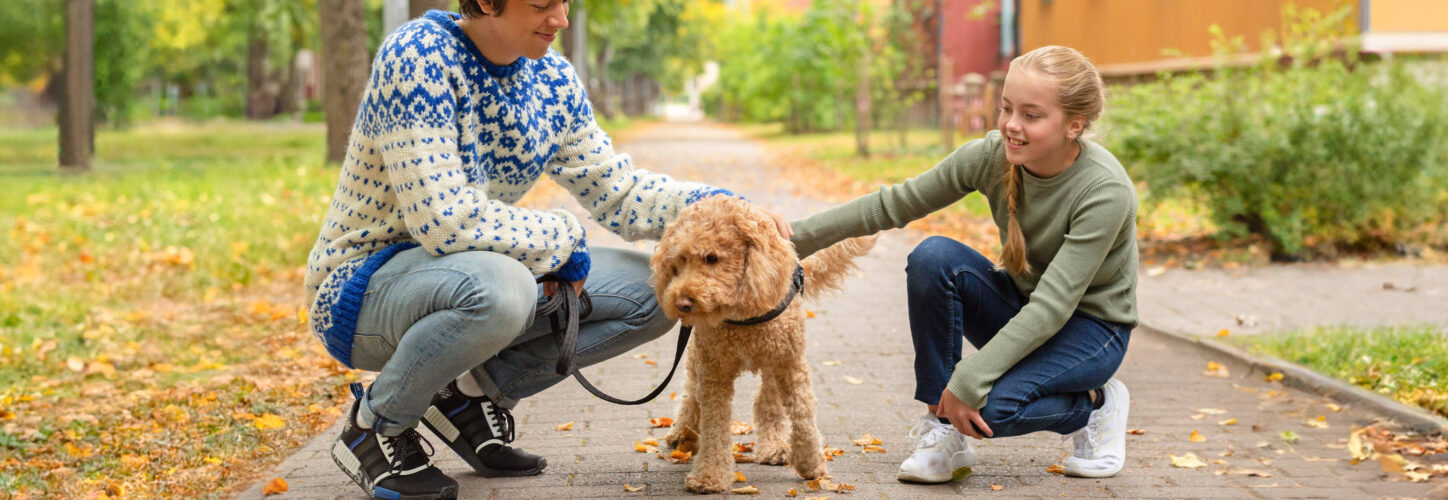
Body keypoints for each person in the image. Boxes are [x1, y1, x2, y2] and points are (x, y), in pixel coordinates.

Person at [303, 1, 790, 498]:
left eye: (565, 3)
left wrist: (723, 204)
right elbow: (443, 217)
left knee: (652, 295)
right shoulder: (418, 56)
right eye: (541, 5)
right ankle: (375, 424)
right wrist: (562, 240)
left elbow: (617, 190)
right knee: (503, 288)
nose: (560, 20)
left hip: (464, 270)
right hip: (364, 286)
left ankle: (468, 395)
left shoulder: (550, 78)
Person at [789, 45, 1138, 483]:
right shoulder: (991, 157)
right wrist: (791, 238)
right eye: (1007, 108)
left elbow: (1053, 306)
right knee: (933, 257)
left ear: (1075, 124)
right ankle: (941, 431)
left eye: (1032, 115)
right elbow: (895, 203)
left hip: (1092, 330)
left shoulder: (1104, 191)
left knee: (989, 408)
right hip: (1025, 308)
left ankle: (1095, 406)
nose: (1012, 125)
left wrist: (969, 376)